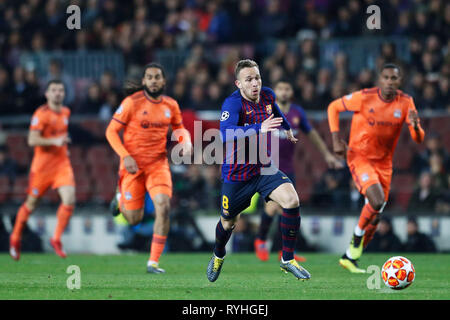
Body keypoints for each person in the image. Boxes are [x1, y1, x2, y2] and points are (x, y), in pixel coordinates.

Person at [206, 59, 310, 282]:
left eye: (257, 78)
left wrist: (288, 129)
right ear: (238, 84)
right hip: (237, 175)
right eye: (249, 80)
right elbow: (225, 134)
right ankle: (218, 254)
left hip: (262, 168)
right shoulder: (232, 104)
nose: (255, 83)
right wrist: (258, 128)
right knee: (228, 223)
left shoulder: (268, 95)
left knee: (291, 200)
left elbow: (277, 114)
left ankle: (287, 258)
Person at [327, 63, 425, 273]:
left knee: (376, 215)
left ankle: (350, 257)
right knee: (377, 200)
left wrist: (416, 127)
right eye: (386, 77)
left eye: (394, 78)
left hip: (384, 163)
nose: (390, 82)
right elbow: (333, 107)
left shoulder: (406, 102)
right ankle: (356, 238)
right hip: (359, 157)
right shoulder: (365, 96)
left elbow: (418, 139)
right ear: (380, 80)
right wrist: (336, 140)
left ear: (400, 81)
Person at [105, 62, 192, 274]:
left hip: (158, 165)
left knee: (163, 206)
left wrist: (186, 142)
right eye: (149, 77)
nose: (153, 81)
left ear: (163, 81)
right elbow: (110, 131)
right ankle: (119, 199)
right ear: (144, 81)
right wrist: (125, 156)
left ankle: (153, 262)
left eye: (157, 77)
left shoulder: (171, 105)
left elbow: (179, 128)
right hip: (132, 166)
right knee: (134, 218)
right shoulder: (131, 103)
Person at [254, 79, 343, 262]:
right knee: (273, 206)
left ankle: (281, 250)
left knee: (287, 208)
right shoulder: (265, 110)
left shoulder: (297, 113)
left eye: (287, 88)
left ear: (291, 91)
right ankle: (262, 240)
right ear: (275, 91)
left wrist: (326, 155)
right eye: (280, 88)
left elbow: (312, 134)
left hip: (288, 168)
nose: (284, 92)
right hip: (268, 166)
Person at [9, 80, 76, 260]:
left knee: (69, 198)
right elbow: (32, 140)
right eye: (54, 90)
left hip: (62, 164)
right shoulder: (41, 114)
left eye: (61, 90)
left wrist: (62, 144)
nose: (58, 93)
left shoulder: (66, 112)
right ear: (47, 94)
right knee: (31, 204)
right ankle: (15, 237)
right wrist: (54, 141)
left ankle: (56, 239)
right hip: (42, 168)